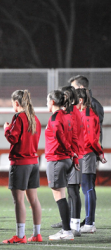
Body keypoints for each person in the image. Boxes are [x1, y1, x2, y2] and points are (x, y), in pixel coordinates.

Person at [2, 90, 42, 244]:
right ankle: (37, 234)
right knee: (34, 200)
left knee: (19, 201)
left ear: (16, 103)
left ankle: (20, 236)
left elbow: (13, 138)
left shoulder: (19, 117)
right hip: (33, 163)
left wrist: (6, 128)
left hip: (20, 163)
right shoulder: (35, 118)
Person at [45, 90, 79, 241]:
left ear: (52, 102)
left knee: (59, 196)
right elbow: (74, 137)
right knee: (62, 195)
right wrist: (74, 157)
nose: (46, 103)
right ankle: (66, 229)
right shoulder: (68, 116)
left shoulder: (55, 118)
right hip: (66, 160)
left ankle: (66, 231)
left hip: (57, 159)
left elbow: (61, 137)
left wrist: (70, 152)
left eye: (47, 101)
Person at [76, 88, 107, 233]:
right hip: (84, 154)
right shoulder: (84, 113)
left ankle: (89, 223)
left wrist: (100, 153)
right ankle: (88, 222)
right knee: (86, 187)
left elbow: (92, 139)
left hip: (87, 154)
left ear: (80, 100)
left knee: (88, 187)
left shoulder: (88, 115)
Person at [69, 75, 104, 144]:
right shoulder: (79, 104)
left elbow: (97, 130)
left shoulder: (94, 105)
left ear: (81, 88)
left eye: (73, 88)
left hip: (90, 150)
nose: (72, 91)